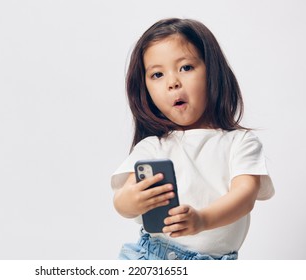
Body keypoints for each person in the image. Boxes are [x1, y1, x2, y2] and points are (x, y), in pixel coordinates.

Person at [111, 18, 274, 260]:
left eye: (186, 67)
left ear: (213, 72)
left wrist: (203, 220)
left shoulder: (240, 143)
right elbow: (122, 200)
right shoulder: (154, 146)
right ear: (145, 89)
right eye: (157, 74)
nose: (172, 82)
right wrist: (130, 200)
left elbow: (245, 196)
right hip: (151, 256)